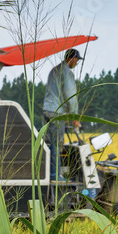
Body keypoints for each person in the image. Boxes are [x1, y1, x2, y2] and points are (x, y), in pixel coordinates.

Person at [42, 48, 82, 180]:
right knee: (57, 145)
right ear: (72, 59)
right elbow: (71, 95)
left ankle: (46, 174)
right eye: (77, 61)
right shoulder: (66, 72)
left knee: (47, 144)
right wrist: (74, 117)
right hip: (56, 113)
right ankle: (55, 176)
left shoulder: (54, 70)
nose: (76, 64)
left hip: (47, 110)